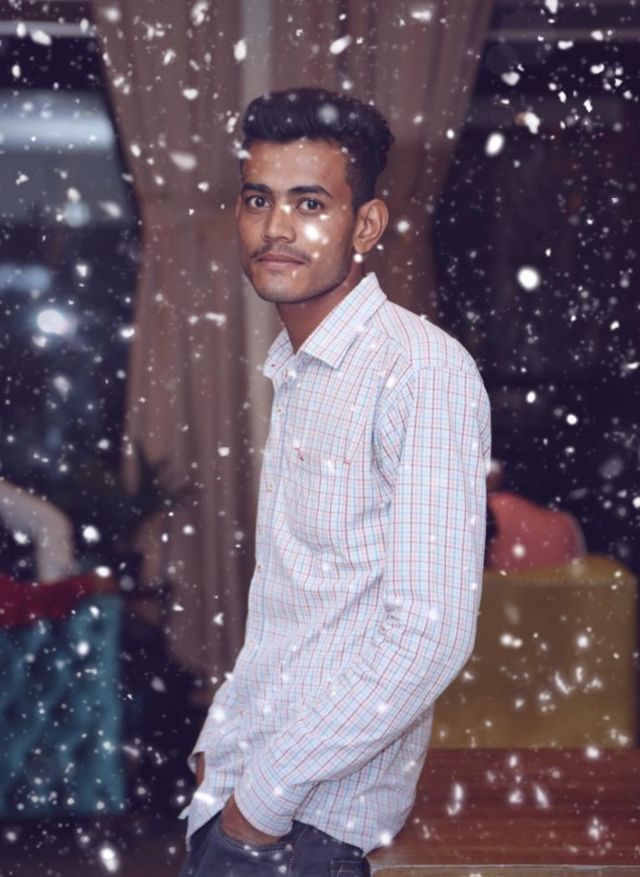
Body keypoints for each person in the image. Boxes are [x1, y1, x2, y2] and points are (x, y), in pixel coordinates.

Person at [180, 87, 491, 877]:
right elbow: (300, 600)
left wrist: (262, 801)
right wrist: (222, 750)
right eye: (259, 199)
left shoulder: (420, 371)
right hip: (247, 797)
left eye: (310, 203)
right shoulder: (300, 367)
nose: (277, 228)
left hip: (310, 829)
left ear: (367, 226)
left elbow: (427, 634)